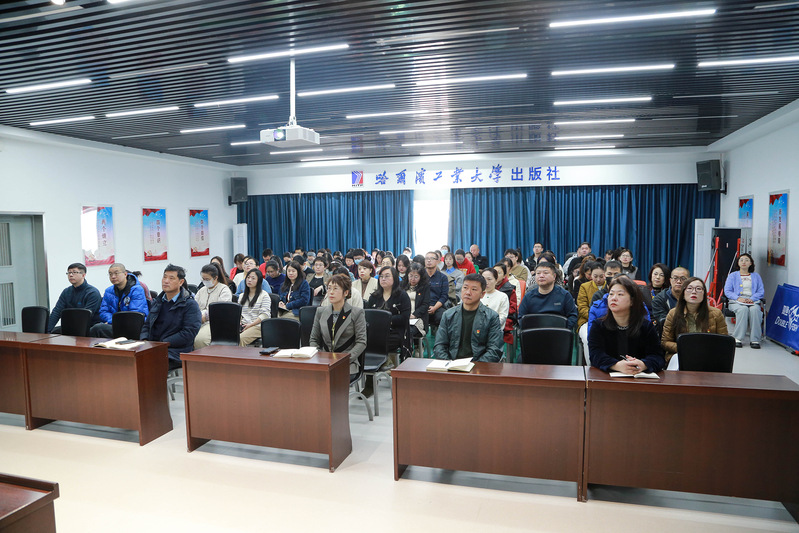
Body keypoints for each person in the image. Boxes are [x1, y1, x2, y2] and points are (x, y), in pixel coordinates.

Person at [588, 276, 666, 375]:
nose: (613, 298)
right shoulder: (598, 326)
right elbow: (595, 355)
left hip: (639, 379)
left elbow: (658, 357)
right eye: (611, 294)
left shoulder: (646, 327)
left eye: (620, 294)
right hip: (606, 378)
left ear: (632, 301)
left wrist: (642, 364)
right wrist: (617, 365)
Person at [140, 264, 202, 371]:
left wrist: (163, 343)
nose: (166, 281)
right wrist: (144, 340)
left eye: (171, 278)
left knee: (149, 363)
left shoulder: (190, 304)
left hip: (176, 350)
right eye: (164, 277)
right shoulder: (157, 301)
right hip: (155, 346)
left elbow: (189, 333)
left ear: (181, 282)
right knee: (131, 359)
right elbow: (147, 325)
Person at [434, 273, 504, 362]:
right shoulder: (448, 315)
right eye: (465, 288)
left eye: (474, 289)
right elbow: (439, 345)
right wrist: (448, 363)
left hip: (478, 366)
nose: (468, 292)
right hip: (452, 364)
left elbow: (494, 350)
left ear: (482, 294)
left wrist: (475, 366)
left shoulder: (491, 317)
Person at [662, 277, 728, 366]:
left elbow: (724, 342)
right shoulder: (673, 313)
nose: (694, 292)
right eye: (689, 288)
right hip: (681, 355)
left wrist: (705, 350)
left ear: (704, 294)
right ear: (683, 293)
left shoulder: (716, 313)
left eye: (698, 289)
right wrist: (686, 348)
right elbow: (665, 342)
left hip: (708, 355)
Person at [309, 274, 367, 374]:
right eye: (329, 288)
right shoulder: (320, 312)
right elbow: (314, 339)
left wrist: (345, 359)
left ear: (346, 292)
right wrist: (319, 357)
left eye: (335, 288)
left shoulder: (357, 313)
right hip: (324, 361)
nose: (331, 292)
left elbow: (361, 342)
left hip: (347, 362)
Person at [90, 263, 150, 337]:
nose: (113, 276)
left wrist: (115, 322)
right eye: (110, 274)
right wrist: (112, 321)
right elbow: (103, 311)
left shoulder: (137, 290)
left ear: (125, 274)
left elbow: (134, 314)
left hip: (134, 327)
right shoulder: (108, 291)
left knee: (98, 329)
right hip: (115, 325)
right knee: (96, 328)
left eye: (116, 273)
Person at [366, 266, 411, 357]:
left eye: (387, 276)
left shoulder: (402, 295)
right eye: (381, 276)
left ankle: (386, 362)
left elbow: (404, 317)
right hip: (375, 331)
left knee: (380, 342)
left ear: (395, 278)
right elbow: (368, 315)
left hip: (395, 332)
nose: (383, 279)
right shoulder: (374, 297)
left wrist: (386, 321)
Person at [518, 262, 578, 330]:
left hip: (559, 332)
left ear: (554, 276)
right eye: (538, 273)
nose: (541, 276)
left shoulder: (564, 295)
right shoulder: (528, 297)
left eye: (545, 273)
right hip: (534, 332)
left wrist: (564, 329)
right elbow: (521, 318)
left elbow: (572, 316)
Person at [724, 253, 765, 348]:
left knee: (755, 310)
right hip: (736, 301)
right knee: (743, 309)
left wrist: (751, 299)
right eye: (741, 260)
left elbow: (760, 291)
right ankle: (737, 338)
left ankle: (755, 339)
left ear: (750, 263)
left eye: (747, 260)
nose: (744, 262)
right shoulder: (732, 276)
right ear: (738, 263)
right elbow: (727, 291)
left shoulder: (756, 276)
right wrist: (738, 298)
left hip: (752, 300)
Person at [47, 262, 102, 333]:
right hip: (71, 325)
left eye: (74, 272)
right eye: (69, 273)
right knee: (53, 332)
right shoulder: (66, 291)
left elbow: (86, 316)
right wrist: (47, 330)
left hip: (89, 327)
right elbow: (57, 311)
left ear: (83, 275)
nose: (71, 275)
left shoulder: (92, 292)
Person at [193, 263, 234, 348]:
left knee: (200, 339)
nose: (205, 281)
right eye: (203, 279)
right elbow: (194, 306)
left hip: (215, 322)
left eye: (207, 279)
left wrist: (204, 317)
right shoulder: (202, 290)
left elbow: (220, 310)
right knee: (186, 335)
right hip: (198, 320)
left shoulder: (224, 290)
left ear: (215, 278)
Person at [238, 268, 271, 346]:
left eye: (253, 278)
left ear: (259, 281)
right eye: (248, 277)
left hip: (258, 326)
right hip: (244, 324)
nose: (249, 280)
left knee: (240, 339)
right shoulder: (242, 296)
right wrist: (238, 322)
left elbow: (264, 315)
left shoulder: (264, 295)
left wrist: (251, 324)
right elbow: (238, 312)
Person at [402, 262, 430, 342]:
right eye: (410, 276)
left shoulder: (425, 287)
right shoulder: (402, 285)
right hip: (404, 316)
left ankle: (412, 346)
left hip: (418, 318)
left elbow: (425, 304)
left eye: (416, 276)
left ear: (421, 277)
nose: (413, 279)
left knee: (409, 331)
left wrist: (414, 315)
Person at [493, 261, 518, 345]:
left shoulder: (510, 289)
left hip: (506, 317)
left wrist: (498, 314)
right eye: (494, 272)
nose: (496, 275)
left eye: (499, 273)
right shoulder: (487, 288)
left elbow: (512, 309)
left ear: (504, 275)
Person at [425, 251, 450, 327]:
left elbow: (444, 296)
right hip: (422, 306)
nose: (429, 261)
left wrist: (434, 308)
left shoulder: (443, 277)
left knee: (442, 317)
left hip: (438, 306)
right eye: (427, 258)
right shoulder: (420, 277)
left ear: (437, 261)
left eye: (432, 258)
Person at [480, 267, 509, 335]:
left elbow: (502, 317)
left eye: (489, 279)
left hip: (494, 332)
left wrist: (488, 326)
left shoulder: (502, 296)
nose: (486, 282)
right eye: (483, 279)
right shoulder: (477, 294)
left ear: (496, 280)